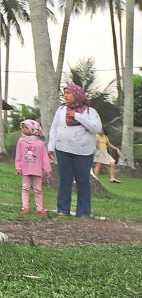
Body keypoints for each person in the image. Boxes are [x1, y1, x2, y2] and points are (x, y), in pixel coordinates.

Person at [48, 84, 103, 218]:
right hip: (63, 149)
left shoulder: (90, 112)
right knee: (65, 179)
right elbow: (55, 128)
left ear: (77, 95)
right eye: (64, 93)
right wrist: (50, 146)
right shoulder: (61, 110)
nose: (65, 96)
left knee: (83, 180)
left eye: (68, 93)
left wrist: (77, 116)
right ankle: (63, 210)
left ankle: (83, 212)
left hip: (84, 152)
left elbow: (96, 129)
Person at [15, 119, 51, 215]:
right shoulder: (21, 142)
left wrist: (47, 169)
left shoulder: (40, 143)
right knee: (25, 188)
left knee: (38, 190)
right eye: (22, 127)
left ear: (33, 129)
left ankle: (40, 209)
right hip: (25, 170)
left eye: (26, 127)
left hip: (37, 170)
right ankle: (25, 207)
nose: (24, 129)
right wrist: (18, 167)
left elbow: (44, 157)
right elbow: (18, 155)